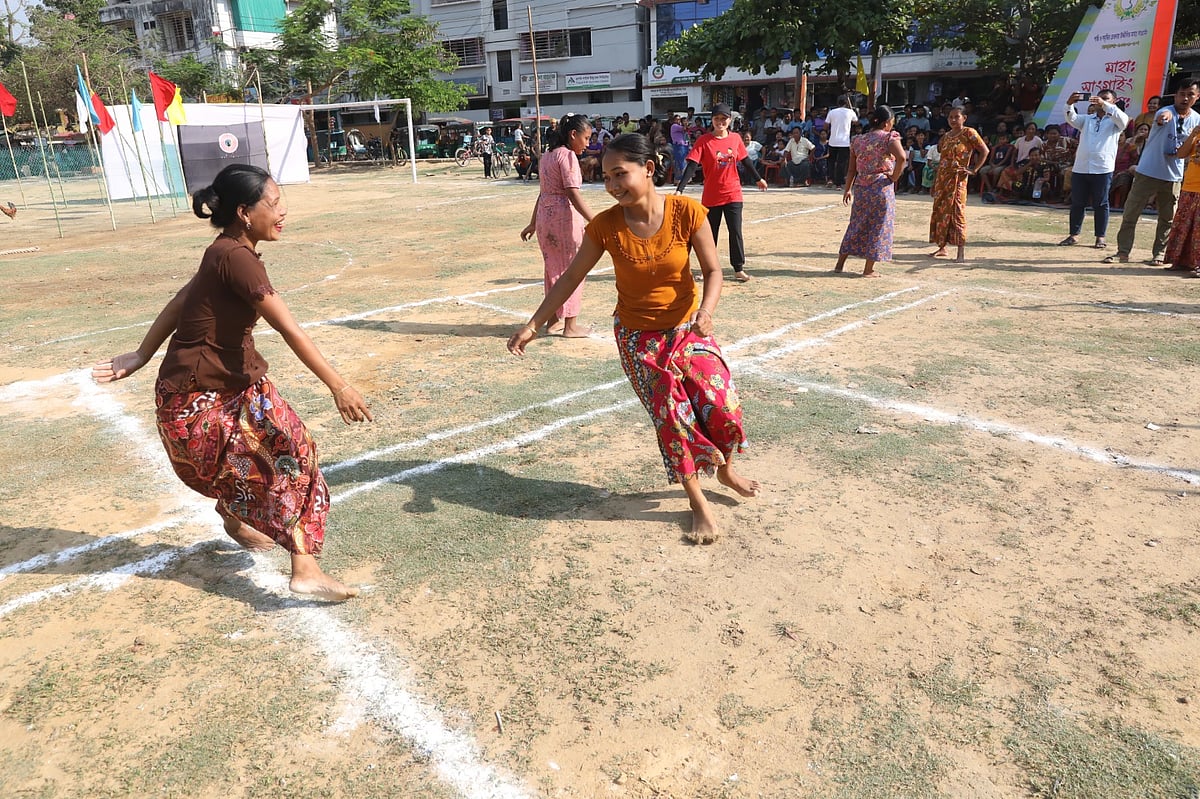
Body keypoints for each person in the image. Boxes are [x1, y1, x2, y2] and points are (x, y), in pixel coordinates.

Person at [91, 164, 371, 600]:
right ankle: (305, 567)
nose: (283, 212)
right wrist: (338, 386)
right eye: (274, 204)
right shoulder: (236, 259)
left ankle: (240, 519)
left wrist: (145, 353)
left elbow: (181, 300)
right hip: (198, 400)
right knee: (287, 458)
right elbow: (289, 329)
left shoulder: (223, 250)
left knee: (285, 452)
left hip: (232, 387)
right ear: (244, 211)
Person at [507, 133, 759, 544]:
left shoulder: (686, 212)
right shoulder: (605, 226)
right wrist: (534, 324)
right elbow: (572, 276)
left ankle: (726, 468)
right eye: (605, 178)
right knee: (673, 419)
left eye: (620, 174)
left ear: (649, 169)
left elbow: (713, 271)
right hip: (638, 339)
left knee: (722, 404)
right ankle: (697, 503)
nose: (612, 186)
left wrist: (706, 313)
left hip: (687, 329)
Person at [1107, 80, 1200, 265]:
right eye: (1182, 93)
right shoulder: (1164, 112)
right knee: (1131, 214)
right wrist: (1162, 118)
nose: (1185, 98)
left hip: (1174, 175)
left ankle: (1159, 254)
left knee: (1167, 219)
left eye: (1190, 94)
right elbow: (1162, 116)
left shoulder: (1197, 119)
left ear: (1197, 97)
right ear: (1175, 95)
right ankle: (1122, 252)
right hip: (1148, 172)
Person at [520, 113, 596, 337]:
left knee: (553, 270)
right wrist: (595, 218)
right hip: (563, 219)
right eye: (586, 138)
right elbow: (572, 193)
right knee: (573, 269)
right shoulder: (568, 157)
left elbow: (543, 193)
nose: (588, 143)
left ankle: (553, 321)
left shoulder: (547, 156)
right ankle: (570, 326)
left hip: (545, 218)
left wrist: (533, 223)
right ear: (573, 135)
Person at [675, 102, 768, 283]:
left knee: (735, 231)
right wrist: (680, 189)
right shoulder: (704, 141)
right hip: (711, 196)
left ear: (729, 120)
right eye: (717, 119)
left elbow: (746, 161)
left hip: (733, 193)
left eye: (724, 119)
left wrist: (758, 178)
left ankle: (738, 269)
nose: (720, 122)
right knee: (709, 235)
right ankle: (706, 269)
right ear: (712, 120)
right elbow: (692, 165)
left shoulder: (735, 139)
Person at [835, 105, 907, 277]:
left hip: (861, 187)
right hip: (880, 186)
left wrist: (847, 189)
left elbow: (851, 169)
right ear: (887, 123)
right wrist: (894, 177)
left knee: (856, 225)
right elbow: (902, 158)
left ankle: (839, 264)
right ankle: (868, 269)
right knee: (878, 227)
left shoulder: (858, 140)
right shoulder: (889, 137)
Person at [1060, 89, 1129, 248]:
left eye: (1106, 99)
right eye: (1099, 98)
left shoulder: (1115, 121)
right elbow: (1072, 119)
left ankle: (1100, 237)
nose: (1100, 101)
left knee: (1101, 203)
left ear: (1114, 101)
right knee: (1077, 202)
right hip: (1081, 167)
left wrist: (1104, 105)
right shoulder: (1087, 119)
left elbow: (1124, 121)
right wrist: (1069, 103)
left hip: (1102, 168)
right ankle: (1074, 235)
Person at [929, 107, 989, 262]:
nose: (953, 120)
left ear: (964, 118)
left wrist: (974, 169)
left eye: (957, 117)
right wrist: (935, 182)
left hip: (958, 180)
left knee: (957, 213)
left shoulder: (969, 133)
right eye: (950, 117)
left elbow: (984, 151)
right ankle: (942, 247)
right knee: (941, 211)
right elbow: (942, 158)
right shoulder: (946, 136)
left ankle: (960, 252)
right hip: (942, 179)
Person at [1163, 125, 1200, 275]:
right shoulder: (1197, 135)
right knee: (1184, 226)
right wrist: (1193, 134)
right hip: (1189, 187)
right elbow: (1181, 154)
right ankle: (1182, 261)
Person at [1110, 123, 1149, 210]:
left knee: (1123, 178)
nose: (1119, 138)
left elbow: (1135, 161)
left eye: (1121, 136)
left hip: (1126, 172)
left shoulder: (1129, 147)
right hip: (1109, 171)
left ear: (1125, 137)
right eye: (1117, 136)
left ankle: (1120, 205)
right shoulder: (1109, 146)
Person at [826, 95, 858, 188]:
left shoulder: (832, 112)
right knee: (841, 163)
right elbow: (857, 122)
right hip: (844, 142)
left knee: (831, 161)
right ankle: (838, 184)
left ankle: (830, 179)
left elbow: (825, 125)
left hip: (833, 140)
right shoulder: (850, 112)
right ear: (846, 103)